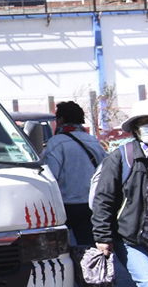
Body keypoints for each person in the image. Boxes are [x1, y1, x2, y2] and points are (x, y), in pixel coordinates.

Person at [92, 100, 148, 287]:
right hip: (130, 240)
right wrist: (102, 236)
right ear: (136, 127)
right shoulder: (121, 157)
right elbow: (104, 198)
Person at [43, 101, 105, 246]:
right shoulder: (94, 141)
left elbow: (51, 176)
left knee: (60, 250)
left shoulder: (56, 142)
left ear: (61, 119)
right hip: (92, 204)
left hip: (66, 206)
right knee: (88, 248)